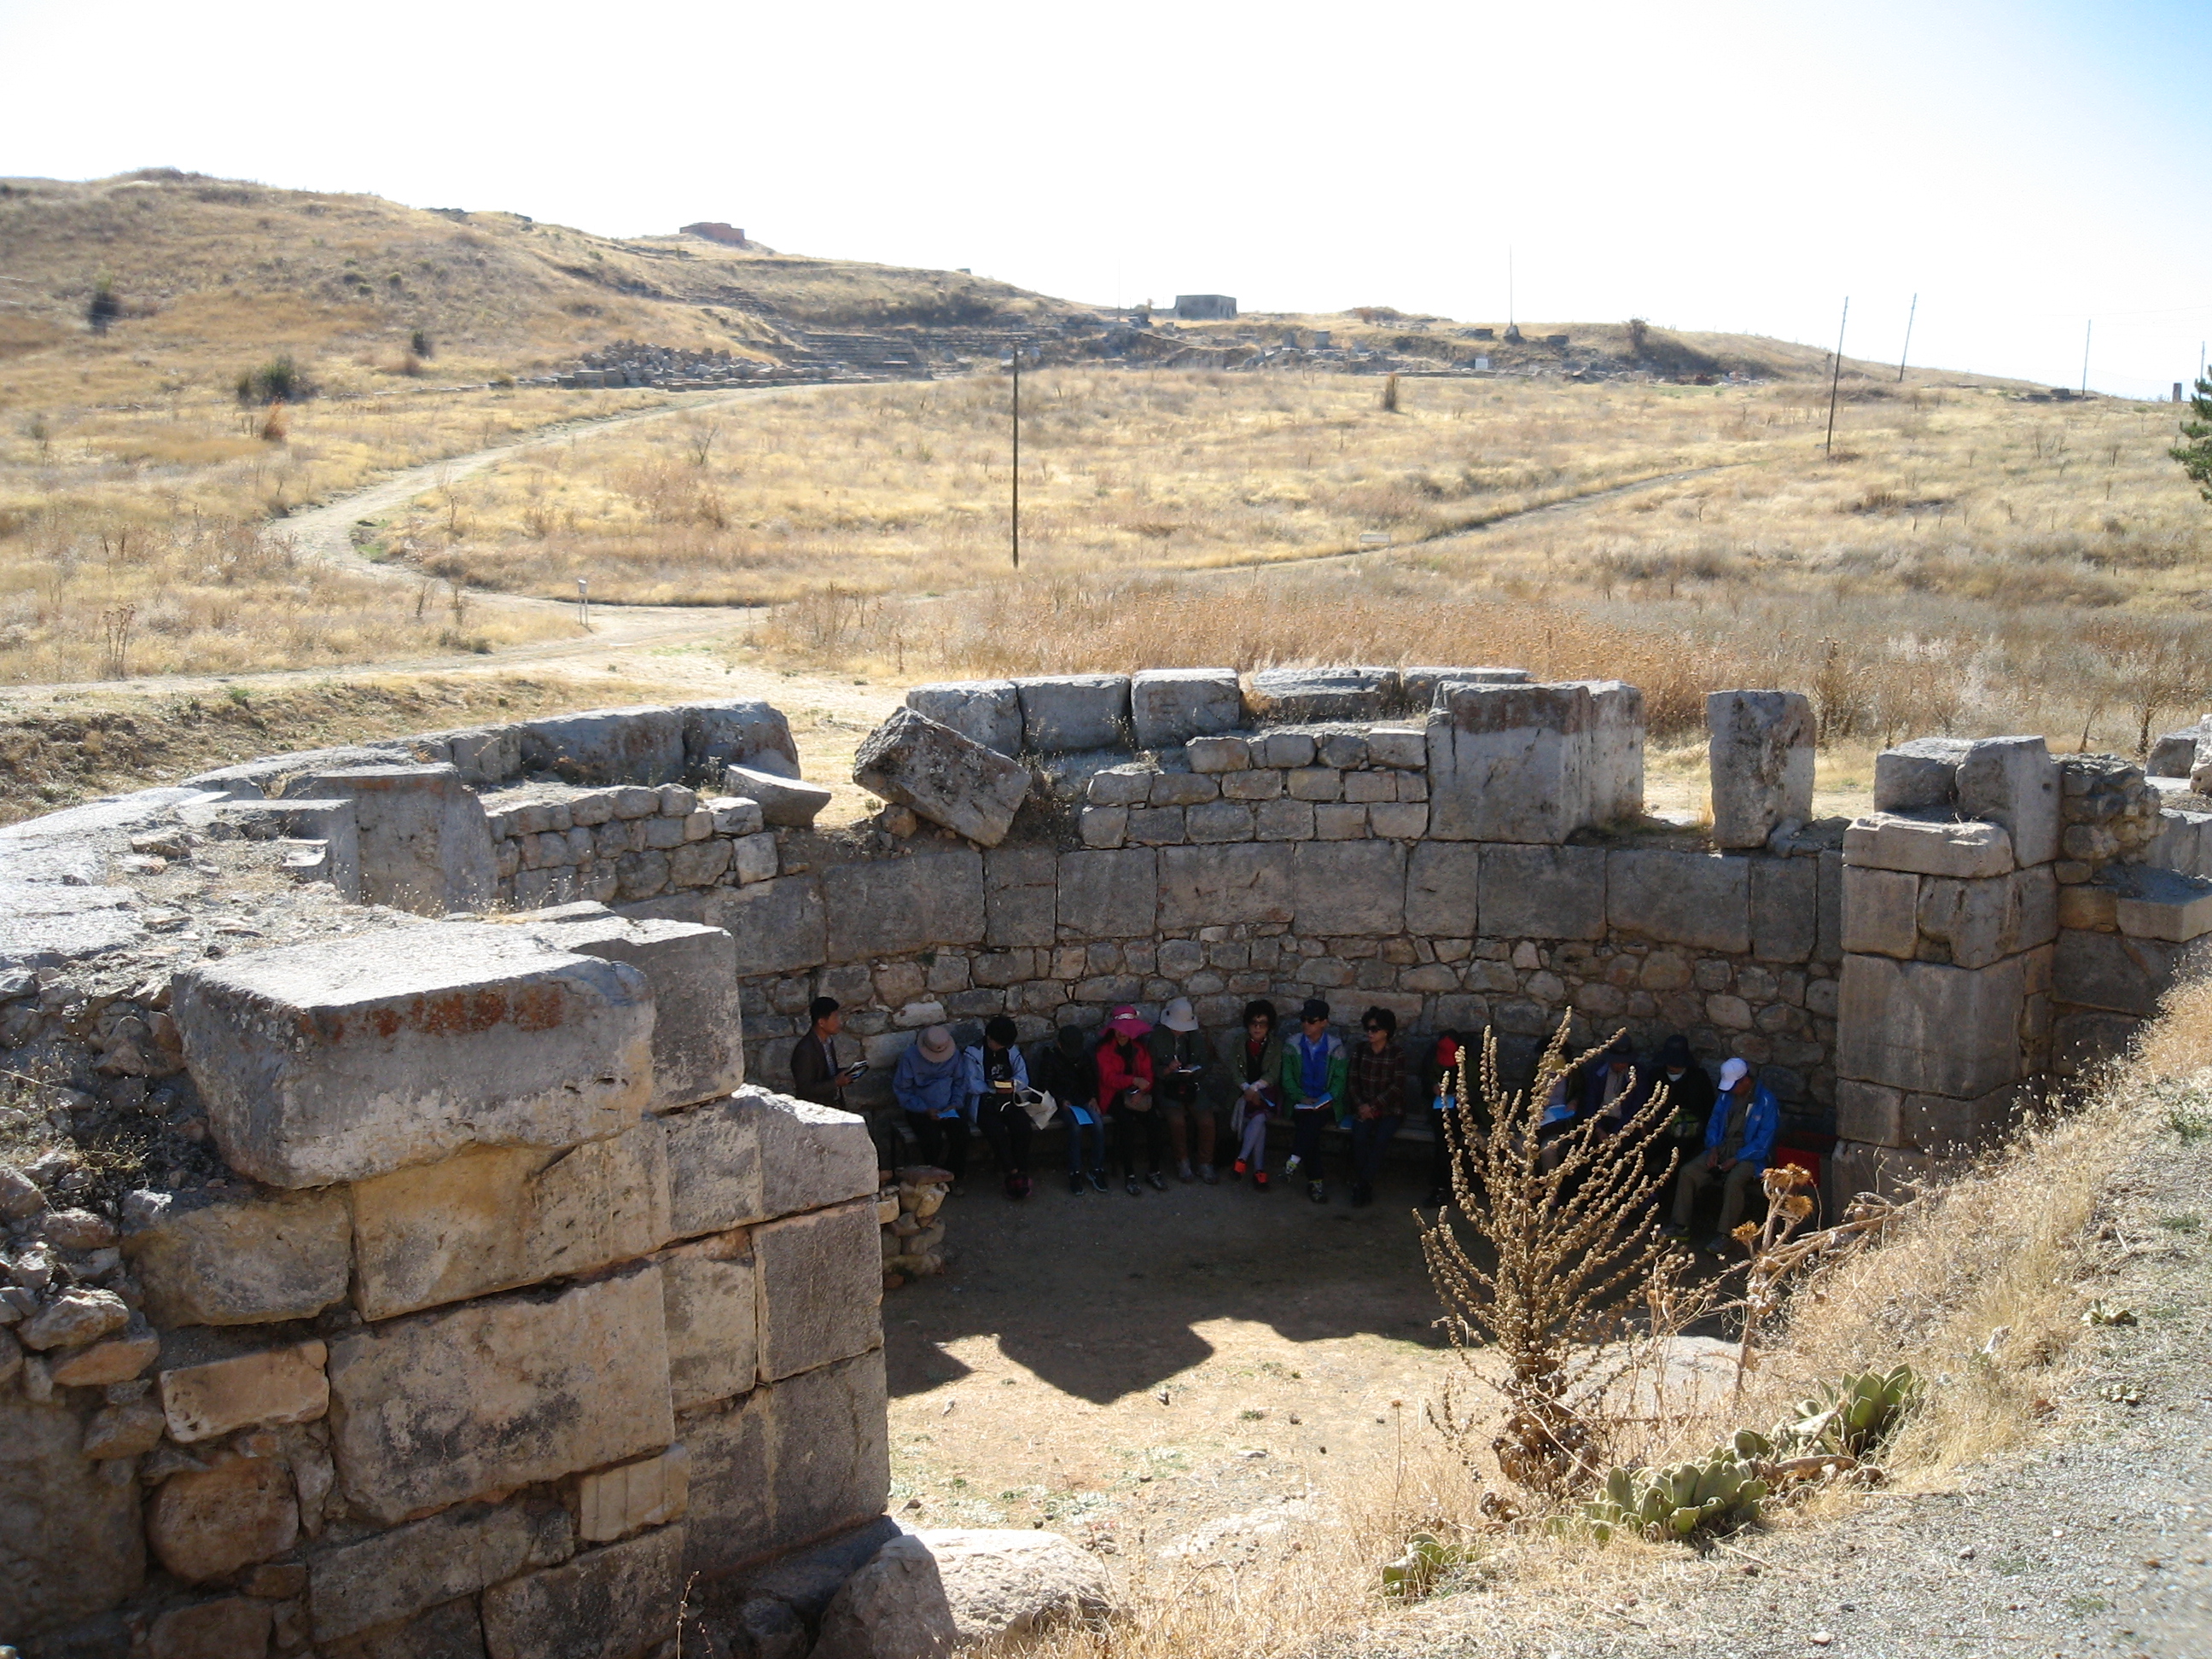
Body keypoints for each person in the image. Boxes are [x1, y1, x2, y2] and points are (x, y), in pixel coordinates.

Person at [1664, 1057, 1777, 1253]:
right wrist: (1713, 1148)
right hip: (1722, 1149)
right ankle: (1680, 1225)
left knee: (1734, 1180)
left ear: (1745, 1081)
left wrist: (1736, 1158)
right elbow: (1714, 1123)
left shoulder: (1766, 1102)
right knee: (1688, 1172)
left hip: (1751, 1156)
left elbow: (1763, 1142)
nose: (1731, 1090)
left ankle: (1725, 1234)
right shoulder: (1725, 1097)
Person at [789, 997, 884, 1168]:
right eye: (835, 1018)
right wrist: (836, 1083)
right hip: (816, 1113)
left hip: (833, 1106)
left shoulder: (827, 1043)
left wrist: (846, 1073)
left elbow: (827, 1072)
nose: (839, 1022)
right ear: (822, 1022)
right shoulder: (805, 1050)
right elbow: (805, 1088)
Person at [1278, 998, 1348, 1204]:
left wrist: (1326, 1100)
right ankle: (1314, 1182)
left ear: (1324, 1022)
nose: (1306, 1024)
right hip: (1300, 1102)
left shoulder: (1336, 1047)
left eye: (1311, 1020)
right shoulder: (1292, 1045)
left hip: (1326, 1104)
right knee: (1312, 1129)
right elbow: (1287, 1079)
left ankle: (1294, 1161)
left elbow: (1339, 1082)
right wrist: (1301, 1097)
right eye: (1304, 1019)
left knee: (1311, 1126)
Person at [1097, 1005, 1166, 1195]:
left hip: (1137, 1096)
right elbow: (1108, 1079)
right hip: (1113, 1096)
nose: (1121, 1034)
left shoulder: (1140, 1049)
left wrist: (1142, 1091)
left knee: (1155, 1124)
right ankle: (1129, 1175)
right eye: (1119, 1029)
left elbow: (1148, 1075)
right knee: (1126, 1125)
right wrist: (1133, 1080)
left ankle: (1154, 1170)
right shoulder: (1104, 1051)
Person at [1148, 997, 1216, 1184]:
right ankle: (1182, 1162)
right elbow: (1150, 1067)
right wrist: (1167, 1070)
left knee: (1207, 1120)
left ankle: (1205, 1163)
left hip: (1192, 1086)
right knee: (1176, 1121)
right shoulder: (1156, 1038)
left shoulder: (1195, 1036)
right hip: (1167, 1087)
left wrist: (1194, 1070)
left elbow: (1205, 1063)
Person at [1344, 1006, 1407, 1208]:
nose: (1370, 1033)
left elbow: (1397, 1086)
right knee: (1360, 1137)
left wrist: (1374, 1105)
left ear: (1386, 1031)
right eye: (1368, 1029)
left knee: (1381, 1139)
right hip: (1363, 1108)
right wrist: (1362, 1106)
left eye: (1375, 1029)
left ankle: (1363, 1184)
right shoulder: (1360, 1050)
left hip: (1389, 1110)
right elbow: (1352, 1081)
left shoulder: (1396, 1054)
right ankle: (1364, 1184)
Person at [1218, 999, 1284, 1190]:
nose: (1257, 1028)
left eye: (1262, 1024)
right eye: (1253, 1023)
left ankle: (1242, 1160)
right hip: (1242, 1092)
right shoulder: (1240, 1042)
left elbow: (1273, 1073)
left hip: (1266, 1093)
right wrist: (1246, 1088)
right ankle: (1259, 1170)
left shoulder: (1275, 1045)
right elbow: (1235, 1070)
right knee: (1259, 1122)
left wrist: (1255, 1088)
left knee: (1259, 1116)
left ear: (1269, 1026)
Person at [965, 1016, 1033, 1200]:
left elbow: (1023, 1078)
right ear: (989, 1038)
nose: (1001, 1048)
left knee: (1022, 1126)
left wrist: (1012, 1085)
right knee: (996, 1131)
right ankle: (1012, 1173)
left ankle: (1022, 1169)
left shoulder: (1011, 1050)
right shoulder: (973, 1053)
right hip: (984, 1101)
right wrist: (993, 1086)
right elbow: (971, 1084)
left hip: (1009, 1098)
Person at [1035, 1024, 1107, 1194]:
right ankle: (1074, 1172)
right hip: (1061, 1102)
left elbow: (1090, 1079)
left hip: (1081, 1099)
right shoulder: (1050, 1059)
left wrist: (1092, 1097)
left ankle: (1096, 1169)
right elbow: (1044, 1088)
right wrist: (1061, 1100)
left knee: (1098, 1123)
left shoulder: (1083, 1056)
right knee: (1075, 1127)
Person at [893, 1025, 969, 1185]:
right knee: (932, 1139)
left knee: (962, 1134)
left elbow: (960, 1082)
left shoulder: (954, 1056)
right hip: (920, 1110)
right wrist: (924, 1109)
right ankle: (933, 1178)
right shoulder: (910, 1058)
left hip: (949, 1107)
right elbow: (903, 1090)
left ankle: (955, 1175)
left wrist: (955, 1103)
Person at [1647, 1034, 1717, 1205]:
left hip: (1689, 1136)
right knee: (1642, 1154)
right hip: (1660, 1130)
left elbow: (1708, 1110)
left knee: (1673, 1160)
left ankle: (1654, 1199)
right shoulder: (1656, 1076)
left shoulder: (1699, 1078)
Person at [1420, 1029, 1468, 1208]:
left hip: (1463, 1112)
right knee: (1443, 1136)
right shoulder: (1432, 1058)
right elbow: (1425, 1080)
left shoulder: (1470, 1061)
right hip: (1438, 1108)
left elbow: (1478, 1090)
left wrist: (1463, 1094)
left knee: (1448, 1139)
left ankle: (1441, 1185)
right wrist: (1433, 1087)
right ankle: (1442, 1185)